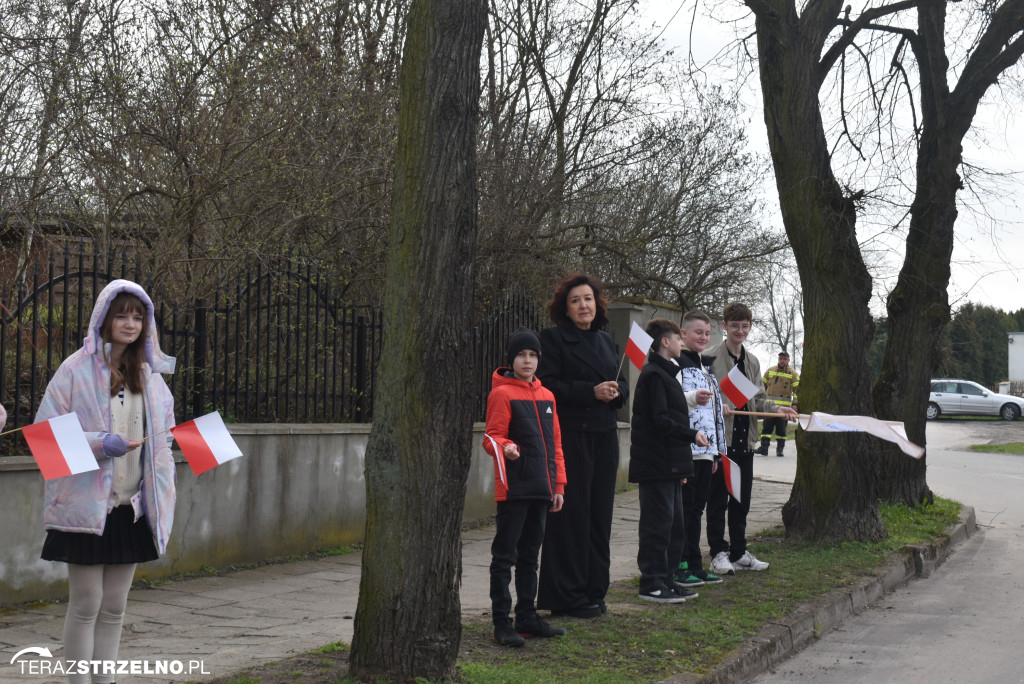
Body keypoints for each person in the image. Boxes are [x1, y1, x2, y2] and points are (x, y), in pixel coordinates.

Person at [36, 279, 176, 684]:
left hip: (129, 510)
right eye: (122, 315)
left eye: (137, 316)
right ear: (104, 318)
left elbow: (163, 438)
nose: (130, 324)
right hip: (85, 508)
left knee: (115, 606)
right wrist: (102, 444)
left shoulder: (149, 376)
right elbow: (46, 440)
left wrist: (162, 481)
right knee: (86, 604)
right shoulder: (74, 370)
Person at [536, 273, 628, 618]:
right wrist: (590, 392)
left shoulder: (607, 341)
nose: (583, 305)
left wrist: (617, 392)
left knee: (600, 516)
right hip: (572, 436)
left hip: (605, 436)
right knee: (573, 516)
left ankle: (594, 589)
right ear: (565, 308)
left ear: (597, 303)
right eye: (575, 300)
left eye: (588, 298)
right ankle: (568, 595)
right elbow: (546, 386)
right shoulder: (554, 339)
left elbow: (623, 385)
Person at [483, 327, 567, 646]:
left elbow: (555, 443)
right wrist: (506, 447)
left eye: (533, 355)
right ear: (512, 359)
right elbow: (491, 438)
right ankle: (502, 623)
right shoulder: (501, 394)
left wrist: (558, 484)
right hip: (514, 487)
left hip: (542, 488)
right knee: (505, 556)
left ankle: (527, 618)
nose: (527, 360)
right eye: (521, 355)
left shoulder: (547, 396)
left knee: (531, 557)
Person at [706, 303, 797, 575]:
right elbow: (702, 398)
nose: (740, 330)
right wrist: (716, 406)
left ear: (750, 327)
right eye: (735, 325)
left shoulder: (753, 361)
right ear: (725, 326)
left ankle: (739, 552)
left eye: (745, 326)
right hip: (722, 443)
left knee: (741, 501)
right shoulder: (710, 358)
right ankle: (717, 553)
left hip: (746, 442)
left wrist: (777, 409)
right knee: (718, 500)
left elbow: (757, 399)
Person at [629, 318, 706, 603]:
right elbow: (661, 422)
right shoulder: (653, 375)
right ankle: (651, 582)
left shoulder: (667, 375)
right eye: (678, 339)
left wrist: (680, 468)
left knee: (675, 527)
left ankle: (668, 579)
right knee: (657, 526)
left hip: (671, 466)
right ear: (665, 342)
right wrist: (692, 434)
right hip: (656, 465)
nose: (681, 343)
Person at [675, 311, 726, 587]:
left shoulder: (708, 368)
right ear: (683, 335)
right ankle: (681, 564)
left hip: (707, 452)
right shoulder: (678, 366)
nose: (703, 337)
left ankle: (696, 564)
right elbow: (672, 403)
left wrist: (716, 452)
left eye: (707, 333)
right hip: (688, 449)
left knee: (697, 510)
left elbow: (715, 414)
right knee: (685, 509)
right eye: (698, 332)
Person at [757, 351, 800, 457]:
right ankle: (764, 448)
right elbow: (762, 387)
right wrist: (760, 400)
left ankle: (780, 450)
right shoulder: (770, 371)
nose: (782, 360)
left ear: (788, 360)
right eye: (780, 358)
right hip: (769, 407)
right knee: (766, 428)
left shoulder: (793, 374)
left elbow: (797, 391)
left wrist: (795, 404)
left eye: (784, 359)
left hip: (784, 408)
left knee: (781, 429)